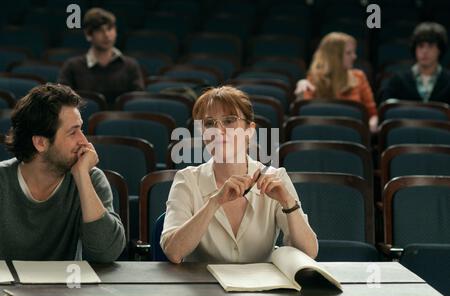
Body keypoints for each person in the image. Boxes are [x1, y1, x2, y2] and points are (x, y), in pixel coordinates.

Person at [161, 86, 318, 264]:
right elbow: (173, 252)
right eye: (209, 123)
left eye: (229, 121)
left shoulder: (276, 177)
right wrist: (214, 202)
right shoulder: (187, 179)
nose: (218, 131)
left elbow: (309, 253)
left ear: (249, 130)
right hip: (203, 288)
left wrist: (289, 203)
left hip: (261, 289)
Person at [0, 83, 126, 261]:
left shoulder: (91, 178)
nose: (84, 141)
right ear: (40, 143)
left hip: (66, 287)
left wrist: (82, 177)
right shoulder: (2, 180)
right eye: (73, 132)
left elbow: (107, 253)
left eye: (81, 129)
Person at [58, 8, 144, 106]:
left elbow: (137, 104)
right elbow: (62, 103)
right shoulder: (72, 66)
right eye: (99, 30)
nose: (107, 35)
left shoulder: (130, 66)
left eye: (110, 29)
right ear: (88, 34)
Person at [295, 32, 378, 132]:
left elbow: (372, 114)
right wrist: (300, 96)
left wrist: (370, 126)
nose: (354, 56)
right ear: (334, 56)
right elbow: (304, 117)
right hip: (321, 134)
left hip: (351, 135)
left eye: (353, 52)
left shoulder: (359, 77)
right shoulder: (314, 79)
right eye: (348, 53)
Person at [379, 22, 450, 104]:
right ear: (414, 49)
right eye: (421, 46)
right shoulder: (398, 81)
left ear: (440, 50)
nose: (424, 51)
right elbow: (384, 111)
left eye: (430, 46)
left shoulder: (448, 81)